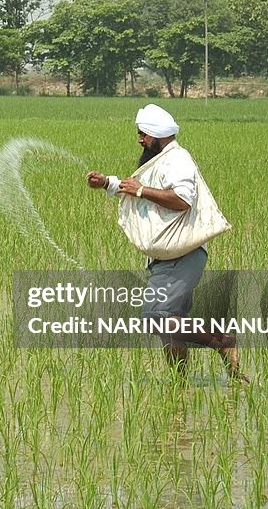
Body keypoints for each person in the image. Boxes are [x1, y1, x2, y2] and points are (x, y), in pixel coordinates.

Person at [86, 104, 248, 384]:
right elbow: (140, 186)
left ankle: (222, 341)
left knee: (155, 317)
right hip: (168, 258)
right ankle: (179, 385)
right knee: (170, 326)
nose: (140, 139)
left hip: (182, 255)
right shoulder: (160, 159)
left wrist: (139, 190)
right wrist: (107, 183)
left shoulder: (177, 159)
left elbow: (181, 200)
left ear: (158, 135)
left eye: (143, 134)